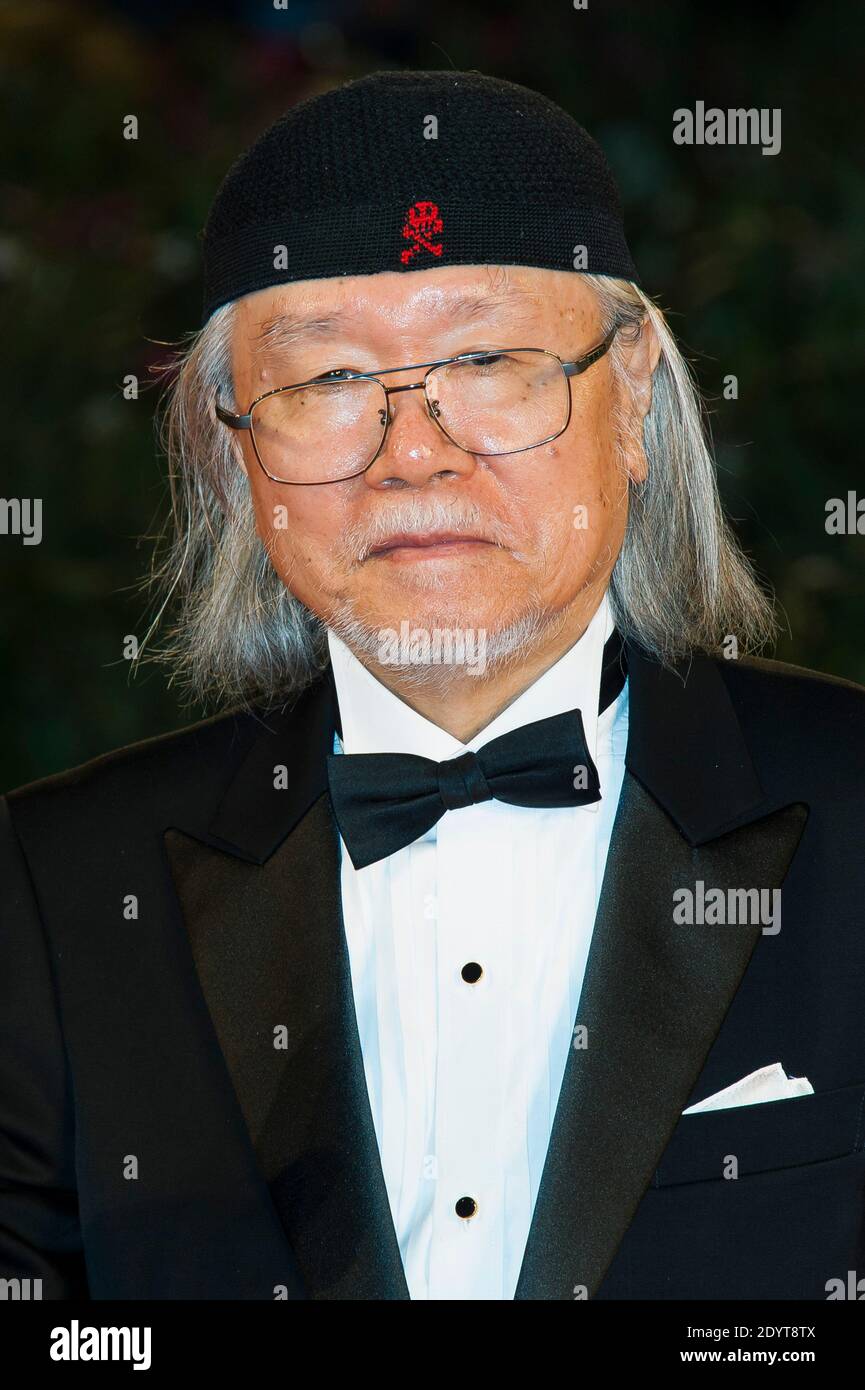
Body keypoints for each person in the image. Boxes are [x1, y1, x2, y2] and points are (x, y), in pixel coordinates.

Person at [1, 69, 863, 1302]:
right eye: (327, 382)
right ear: (232, 447)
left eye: (489, 360)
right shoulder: (53, 885)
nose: (413, 451)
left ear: (629, 398)